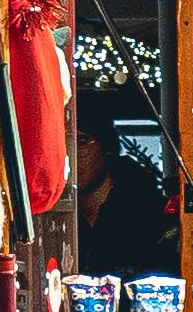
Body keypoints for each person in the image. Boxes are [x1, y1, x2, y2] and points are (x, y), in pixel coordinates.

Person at [74, 94, 179, 280]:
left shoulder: (148, 213)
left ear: (106, 147)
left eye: (82, 142)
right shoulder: (54, 219)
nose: (72, 153)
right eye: (66, 143)